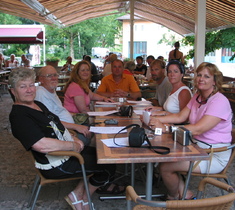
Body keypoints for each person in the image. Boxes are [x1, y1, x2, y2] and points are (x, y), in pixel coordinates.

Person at [8, 67, 121, 210]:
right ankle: (84, 200)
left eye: (31, 85)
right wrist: (72, 146)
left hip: (66, 154)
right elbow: (41, 145)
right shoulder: (19, 116)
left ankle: (78, 195)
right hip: (57, 164)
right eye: (23, 87)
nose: (30, 90)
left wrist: (72, 136)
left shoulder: (37, 105)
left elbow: (56, 124)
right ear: (13, 91)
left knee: (104, 155)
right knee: (108, 165)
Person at [149, 62, 232, 200]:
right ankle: (185, 194)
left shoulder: (219, 101)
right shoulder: (197, 97)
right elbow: (180, 116)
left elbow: (199, 128)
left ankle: (174, 198)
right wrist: (154, 118)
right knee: (160, 153)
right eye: (199, 75)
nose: (201, 79)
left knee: (165, 166)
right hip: (195, 147)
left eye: (206, 76)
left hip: (213, 154)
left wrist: (167, 128)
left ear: (214, 81)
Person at [35, 65, 91, 145]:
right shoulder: (41, 93)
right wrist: (76, 127)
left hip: (69, 128)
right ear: (41, 79)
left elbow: (59, 111)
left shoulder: (51, 90)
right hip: (63, 134)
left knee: (96, 128)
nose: (54, 78)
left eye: (55, 75)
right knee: (95, 135)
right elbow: (50, 122)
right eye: (49, 76)